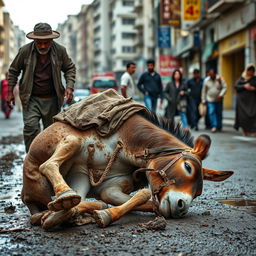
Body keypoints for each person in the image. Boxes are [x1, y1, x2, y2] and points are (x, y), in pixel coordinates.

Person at [7, 23, 76, 152]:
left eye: (46, 42)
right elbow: (13, 71)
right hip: (31, 98)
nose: (43, 46)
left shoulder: (60, 51)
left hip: (52, 99)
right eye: (39, 43)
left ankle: (49, 161)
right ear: (34, 40)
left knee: (51, 133)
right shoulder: (25, 51)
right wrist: (10, 92)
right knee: (30, 128)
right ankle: (32, 160)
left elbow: (70, 68)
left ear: (51, 40)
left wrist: (69, 87)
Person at [201, 69, 227, 133]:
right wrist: (203, 99)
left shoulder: (220, 79)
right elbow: (204, 91)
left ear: (215, 74)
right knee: (211, 112)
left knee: (219, 113)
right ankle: (214, 126)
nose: (211, 75)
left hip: (219, 99)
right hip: (210, 99)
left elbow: (225, 87)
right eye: (209, 74)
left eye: (212, 74)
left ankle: (219, 127)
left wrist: (221, 94)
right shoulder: (206, 80)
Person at [234, 64, 256, 137]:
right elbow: (236, 86)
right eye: (249, 71)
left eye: (252, 71)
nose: (251, 72)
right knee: (242, 117)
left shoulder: (254, 78)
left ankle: (252, 131)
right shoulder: (241, 78)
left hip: (252, 102)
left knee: (252, 115)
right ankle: (244, 131)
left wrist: (253, 89)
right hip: (241, 102)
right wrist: (244, 86)